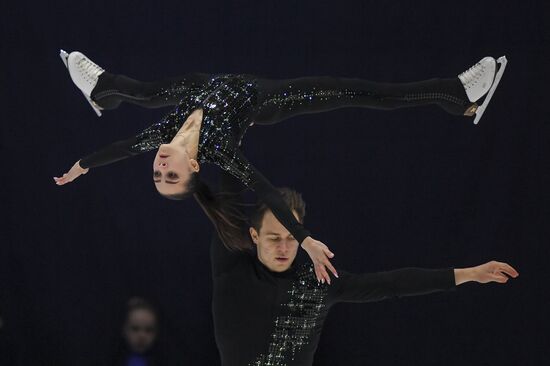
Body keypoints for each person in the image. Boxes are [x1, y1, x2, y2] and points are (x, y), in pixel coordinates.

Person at [54, 50, 507, 282]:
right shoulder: (218, 150)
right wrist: (305, 239)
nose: (160, 167)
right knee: (355, 91)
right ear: (193, 165)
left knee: (144, 90)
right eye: (171, 177)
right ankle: (454, 94)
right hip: (264, 98)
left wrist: (80, 166)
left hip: (197, 86)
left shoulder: (159, 134)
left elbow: (116, 149)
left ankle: (100, 90)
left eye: (156, 175)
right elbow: (268, 192)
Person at [210, 171, 519, 366]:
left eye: (292, 238)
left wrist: (469, 274)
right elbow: (227, 202)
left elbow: (391, 285)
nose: (283, 247)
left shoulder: (318, 281)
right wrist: (234, 133)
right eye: (274, 238)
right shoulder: (232, 268)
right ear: (254, 236)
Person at [111, 297, 163, 366]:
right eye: (135, 329)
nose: (142, 336)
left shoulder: (162, 360)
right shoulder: (113, 359)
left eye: (149, 330)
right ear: (124, 330)